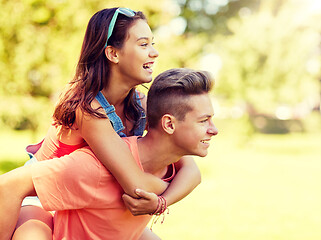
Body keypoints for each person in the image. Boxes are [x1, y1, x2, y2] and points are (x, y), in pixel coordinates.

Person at [9, 7, 201, 240]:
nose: (154, 53)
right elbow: (135, 186)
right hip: (42, 196)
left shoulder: (141, 104)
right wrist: (163, 187)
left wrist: (160, 202)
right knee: (31, 236)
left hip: (88, 203)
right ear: (113, 53)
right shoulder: (85, 106)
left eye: (153, 43)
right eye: (143, 44)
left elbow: (191, 170)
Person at [0, 68, 218, 240]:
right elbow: (8, 185)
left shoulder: (172, 165)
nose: (214, 129)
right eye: (203, 121)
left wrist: (161, 201)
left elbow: (193, 173)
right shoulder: (94, 168)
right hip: (38, 204)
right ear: (169, 124)